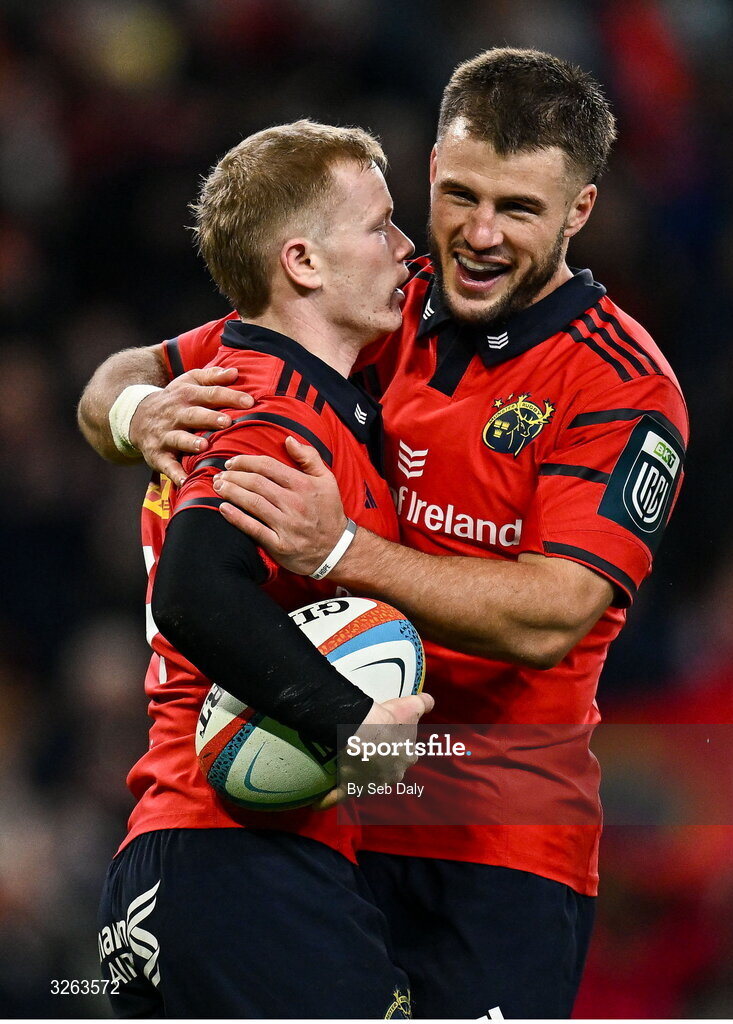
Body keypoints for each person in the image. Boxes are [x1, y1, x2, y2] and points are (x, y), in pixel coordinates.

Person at [78, 49, 689, 1019]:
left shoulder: (621, 385)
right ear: (431, 168)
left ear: (577, 211)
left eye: (517, 210)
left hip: (493, 847)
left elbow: (553, 615)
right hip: (323, 811)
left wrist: (340, 554)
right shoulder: (368, 302)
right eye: (456, 195)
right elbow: (122, 374)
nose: (476, 235)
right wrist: (136, 413)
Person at [91, 119, 434, 1019]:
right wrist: (352, 724)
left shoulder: (236, 377)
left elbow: (112, 386)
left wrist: (122, 408)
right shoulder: (279, 411)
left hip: (172, 869)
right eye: (380, 225)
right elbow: (196, 588)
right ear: (304, 263)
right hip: (244, 868)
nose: (407, 247)